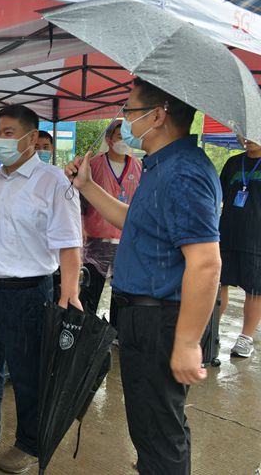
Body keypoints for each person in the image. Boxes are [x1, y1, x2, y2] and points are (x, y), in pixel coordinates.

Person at [65, 78, 222, 475]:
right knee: (151, 428)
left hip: (161, 321)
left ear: (157, 115)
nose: (124, 120)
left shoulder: (184, 172)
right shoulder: (161, 166)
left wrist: (187, 343)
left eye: (130, 110)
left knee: (159, 433)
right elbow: (132, 220)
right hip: (142, 317)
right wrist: (87, 186)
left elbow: (206, 262)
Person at [0, 104, 82, 474]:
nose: (0, 140)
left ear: (31, 137)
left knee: (28, 374)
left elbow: (70, 243)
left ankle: (29, 443)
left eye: (8, 133)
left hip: (27, 293)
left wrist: (69, 293)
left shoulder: (53, 182)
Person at [79, 120, 142, 318]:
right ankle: (84, 329)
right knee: (89, 294)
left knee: (121, 298)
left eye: (127, 137)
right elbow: (80, 201)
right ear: (108, 139)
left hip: (126, 241)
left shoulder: (138, 167)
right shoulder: (93, 165)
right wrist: (81, 227)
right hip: (95, 242)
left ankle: (116, 331)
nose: (124, 141)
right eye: (119, 136)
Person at [217, 135, 261, 358]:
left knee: (255, 290)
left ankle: (245, 338)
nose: (247, 138)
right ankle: (211, 329)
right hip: (226, 234)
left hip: (256, 240)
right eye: (243, 133)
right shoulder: (234, 163)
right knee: (218, 284)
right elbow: (219, 195)